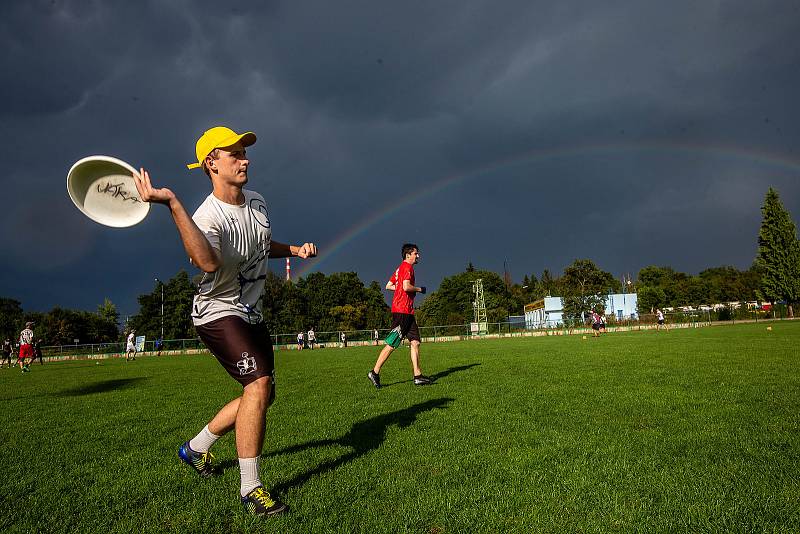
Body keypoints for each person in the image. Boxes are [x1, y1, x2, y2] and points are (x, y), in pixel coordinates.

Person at [132, 125, 316, 517]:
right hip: (216, 312)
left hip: (252, 313)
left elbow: (263, 243)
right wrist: (172, 203)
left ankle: (195, 449)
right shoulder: (206, 216)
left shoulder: (258, 201)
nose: (245, 159)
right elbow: (208, 262)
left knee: (262, 394)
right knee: (258, 384)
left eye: (244, 153)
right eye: (235, 154)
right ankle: (251, 489)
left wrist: (294, 249)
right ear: (211, 163)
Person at [367, 244, 432, 388]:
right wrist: (420, 289)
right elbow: (406, 287)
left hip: (408, 312)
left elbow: (389, 286)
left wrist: (401, 291)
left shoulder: (399, 269)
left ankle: (417, 376)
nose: (418, 256)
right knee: (392, 343)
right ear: (408, 255)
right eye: (416, 253)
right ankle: (374, 372)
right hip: (402, 311)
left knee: (415, 342)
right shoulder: (407, 268)